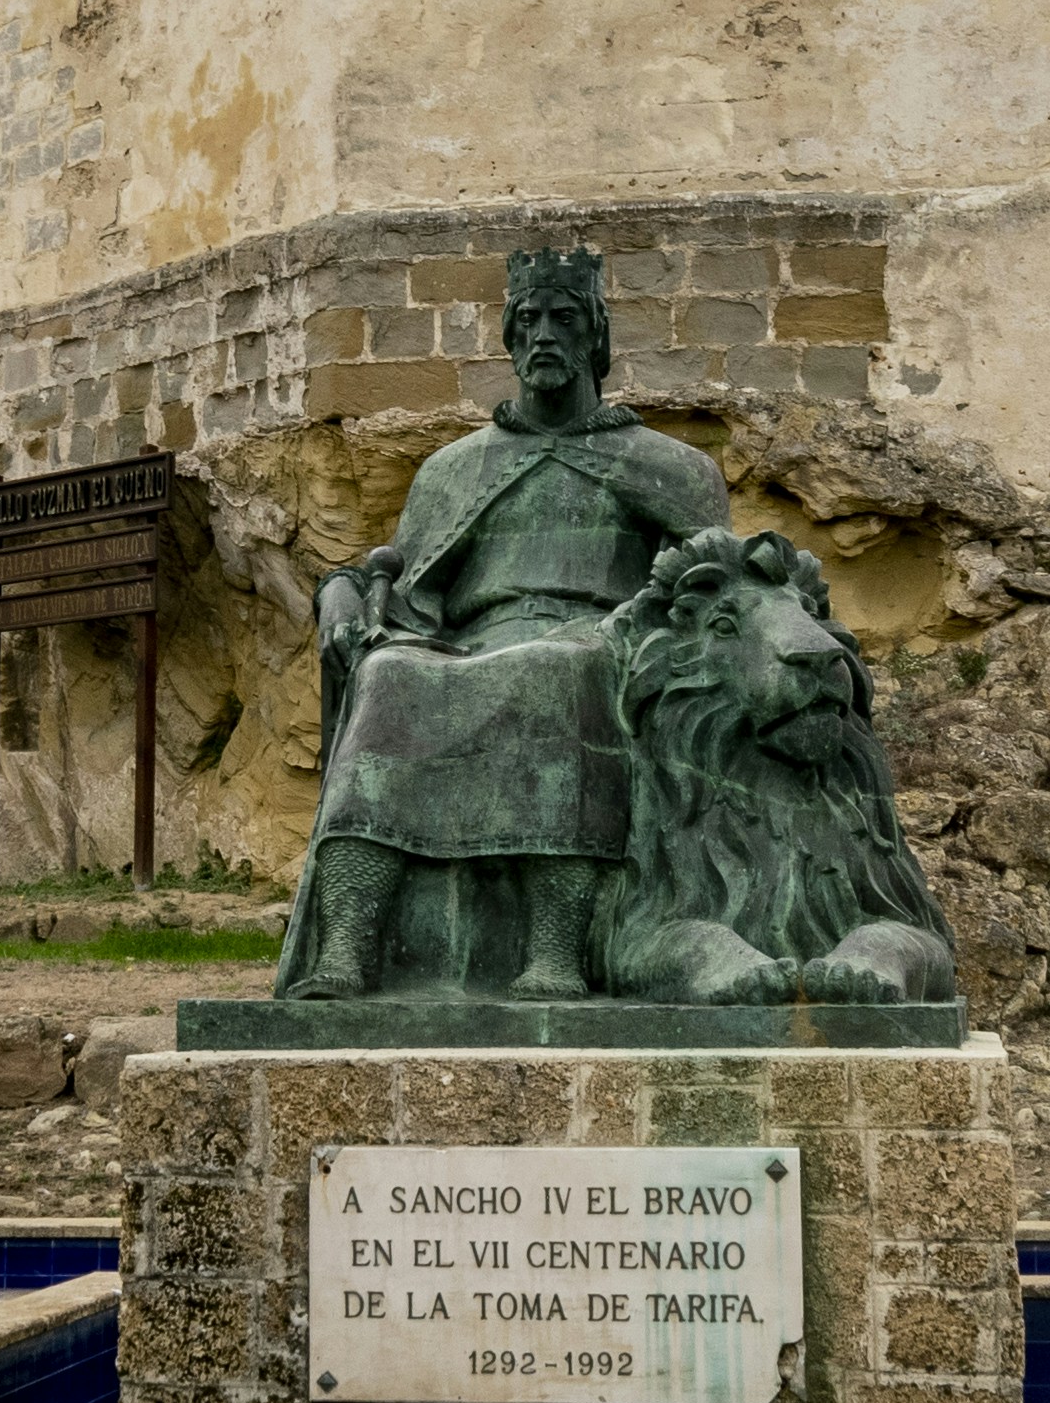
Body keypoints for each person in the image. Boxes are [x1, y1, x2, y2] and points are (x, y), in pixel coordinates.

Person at [274, 247, 727, 1001]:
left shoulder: (670, 466)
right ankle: (348, 952)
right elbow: (399, 571)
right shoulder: (455, 468)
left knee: (559, 669)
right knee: (388, 677)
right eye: (528, 320)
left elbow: (716, 588)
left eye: (563, 318)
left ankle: (555, 955)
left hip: (604, 642)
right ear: (510, 339)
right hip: (471, 643)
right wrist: (341, 594)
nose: (544, 334)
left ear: (596, 336)